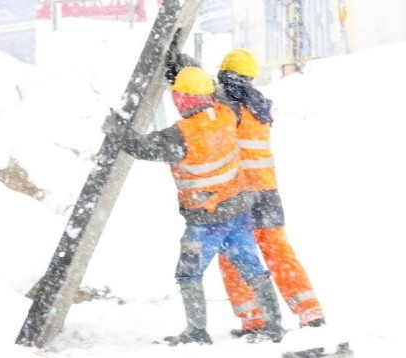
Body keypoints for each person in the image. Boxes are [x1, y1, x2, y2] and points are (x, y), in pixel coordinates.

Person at [103, 66, 284, 346]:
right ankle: (274, 326)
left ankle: (197, 330)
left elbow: (142, 148)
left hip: (207, 222)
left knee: (189, 273)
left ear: (182, 99)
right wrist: (189, 70)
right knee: (252, 268)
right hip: (238, 212)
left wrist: (116, 131)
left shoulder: (182, 134)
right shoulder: (225, 114)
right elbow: (219, 94)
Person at [167, 49, 326, 339]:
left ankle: (254, 318)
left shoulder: (228, 106)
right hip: (268, 192)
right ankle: (310, 312)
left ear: (225, 74)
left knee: (235, 256)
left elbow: (201, 94)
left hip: (239, 194)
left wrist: (183, 69)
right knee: (278, 251)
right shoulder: (258, 105)